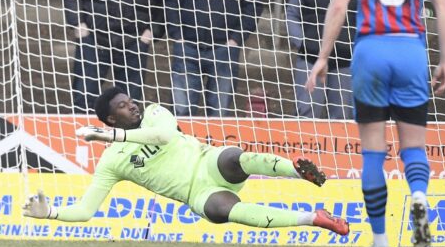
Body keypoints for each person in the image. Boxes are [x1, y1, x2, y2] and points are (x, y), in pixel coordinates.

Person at [306, 0, 445, 247]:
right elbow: (443, 9)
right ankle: (418, 197)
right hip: (409, 50)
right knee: (413, 147)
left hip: (370, 51)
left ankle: (380, 242)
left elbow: (338, 6)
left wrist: (323, 56)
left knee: (373, 153)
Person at [23, 87, 351, 237]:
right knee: (222, 211)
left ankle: (294, 171)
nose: (133, 105)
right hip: (196, 193)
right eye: (123, 106)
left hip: (207, 162)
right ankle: (314, 218)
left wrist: (113, 137)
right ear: (111, 117)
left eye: (131, 99)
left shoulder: (155, 112)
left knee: (232, 157)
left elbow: (164, 137)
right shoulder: (111, 162)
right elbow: (85, 211)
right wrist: (49, 213)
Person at [286, 0, 355, 119]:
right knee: (306, 113)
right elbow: (292, 13)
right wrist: (303, 44)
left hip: (345, 59)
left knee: (342, 117)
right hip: (310, 58)